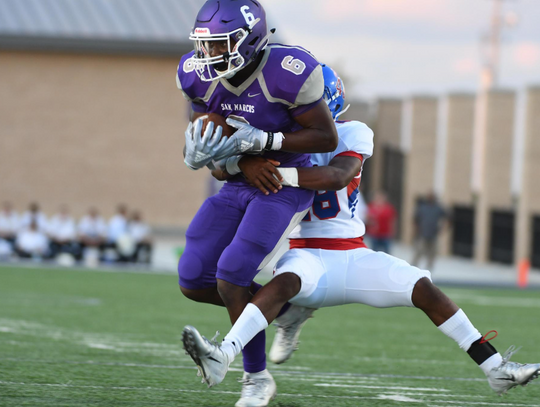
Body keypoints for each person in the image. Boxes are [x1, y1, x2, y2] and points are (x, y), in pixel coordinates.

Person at [181, 64, 540, 400]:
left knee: (423, 288)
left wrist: (275, 173)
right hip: (306, 253)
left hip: (353, 253)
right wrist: (228, 157)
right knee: (283, 284)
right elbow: (228, 167)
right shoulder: (276, 135)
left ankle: (495, 368)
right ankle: (227, 353)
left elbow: (336, 175)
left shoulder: (352, 131)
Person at [177, 1, 338, 406]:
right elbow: (214, 156)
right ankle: (284, 312)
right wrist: (231, 157)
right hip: (238, 179)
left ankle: (255, 379)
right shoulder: (196, 77)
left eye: (221, 44)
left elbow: (325, 137)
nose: (210, 55)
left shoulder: (287, 71)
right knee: (194, 278)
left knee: (232, 274)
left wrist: (265, 143)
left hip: (283, 182)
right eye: (206, 45)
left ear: (249, 39)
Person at [411, 191, 448, 271]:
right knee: (419, 251)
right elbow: (416, 219)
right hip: (423, 234)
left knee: (432, 253)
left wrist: (442, 228)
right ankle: (413, 266)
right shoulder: (423, 208)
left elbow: (447, 216)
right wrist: (416, 230)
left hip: (433, 234)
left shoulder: (438, 208)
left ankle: (429, 268)